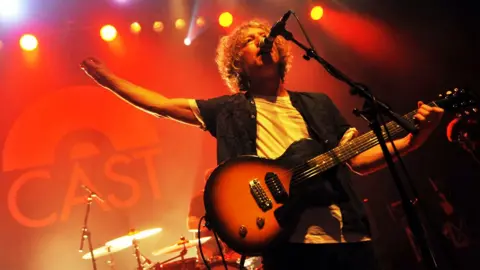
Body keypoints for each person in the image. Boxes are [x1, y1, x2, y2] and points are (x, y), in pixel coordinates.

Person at [80, 19, 444, 270]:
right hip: (286, 245)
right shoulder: (228, 110)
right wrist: (110, 80)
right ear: (236, 62)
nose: (262, 42)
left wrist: (415, 137)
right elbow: (161, 105)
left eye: (265, 37)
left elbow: (360, 159)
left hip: (349, 238)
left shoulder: (317, 104)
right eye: (250, 41)